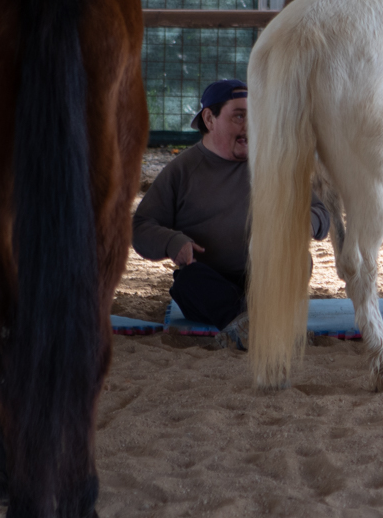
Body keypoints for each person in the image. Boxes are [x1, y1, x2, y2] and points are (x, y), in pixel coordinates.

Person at [131, 78, 331, 346]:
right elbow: (141, 226)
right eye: (239, 116)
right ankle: (254, 323)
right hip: (212, 283)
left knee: (298, 260)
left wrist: (303, 223)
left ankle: (249, 324)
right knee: (188, 282)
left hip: (265, 278)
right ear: (209, 119)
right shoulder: (181, 170)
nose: (250, 125)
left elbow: (320, 212)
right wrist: (172, 242)